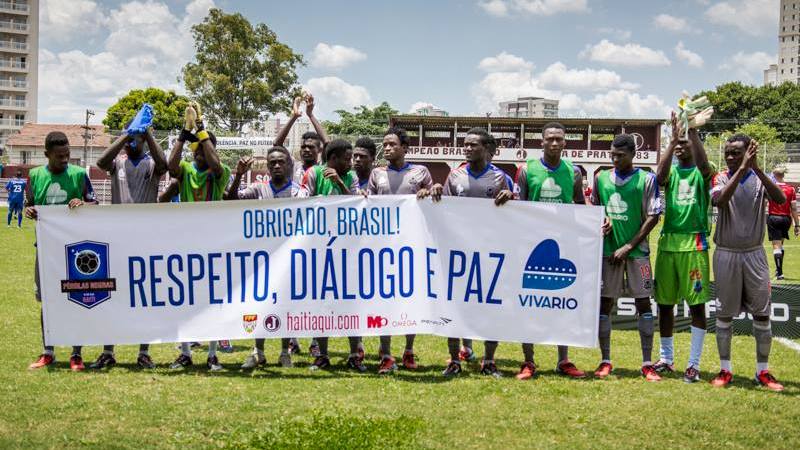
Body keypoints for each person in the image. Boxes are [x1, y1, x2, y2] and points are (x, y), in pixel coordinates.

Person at [433, 127, 514, 378]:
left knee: (491, 307)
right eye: (465, 144)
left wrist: (512, 197)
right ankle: (455, 360)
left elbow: (520, 214)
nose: (467, 148)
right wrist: (435, 191)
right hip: (459, 251)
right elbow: (441, 209)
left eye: (473, 145)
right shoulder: (454, 176)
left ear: (487, 149)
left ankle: (489, 361)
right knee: (454, 305)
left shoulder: (501, 178)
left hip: (490, 252)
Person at [709, 135, 786, 392]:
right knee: (724, 315)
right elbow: (718, 200)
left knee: (762, 314)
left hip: (754, 254)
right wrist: (742, 168)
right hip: (726, 253)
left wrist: (757, 169)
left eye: (736, 153)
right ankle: (725, 368)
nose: (730, 157)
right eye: (727, 153)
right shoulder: (720, 177)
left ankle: (762, 371)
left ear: (748, 153)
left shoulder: (759, 179)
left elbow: (780, 198)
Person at [89, 124, 168, 370]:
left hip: (146, 238)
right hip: (117, 238)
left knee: (145, 296)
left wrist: (148, 134)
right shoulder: (118, 162)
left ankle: (144, 352)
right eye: (128, 138)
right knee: (111, 295)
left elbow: (165, 166)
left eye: (136, 138)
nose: (131, 142)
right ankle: (108, 350)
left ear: (143, 140)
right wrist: (125, 134)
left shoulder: (151, 163)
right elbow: (100, 163)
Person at [513, 122, 587, 381]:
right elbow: (518, 206)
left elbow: (580, 205)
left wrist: (597, 220)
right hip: (532, 247)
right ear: (541, 142)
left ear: (565, 143)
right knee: (529, 303)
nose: (554, 143)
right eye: (550, 139)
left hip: (563, 247)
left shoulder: (574, 172)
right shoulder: (527, 170)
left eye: (559, 139)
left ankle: (563, 360)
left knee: (562, 302)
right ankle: (528, 361)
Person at [167, 102, 232, 372]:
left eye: (207, 147)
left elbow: (216, 165)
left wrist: (203, 131)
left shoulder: (220, 172)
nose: (202, 152)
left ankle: (213, 354)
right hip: (186, 240)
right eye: (200, 147)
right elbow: (170, 166)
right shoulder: (186, 169)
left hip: (214, 241)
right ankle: (185, 352)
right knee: (185, 296)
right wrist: (185, 132)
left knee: (214, 299)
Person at [591, 134, 662, 381]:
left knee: (643, 303)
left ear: (633, 155)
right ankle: (605, 360)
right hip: (607, 253)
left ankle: (646, 363)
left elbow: (653, 217)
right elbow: (595, 209)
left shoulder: (647, 179)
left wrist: (630, 245)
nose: (615, 159)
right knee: (604, 304)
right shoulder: (601, 178)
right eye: (613, 154)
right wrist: (601, 220)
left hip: (637, 254)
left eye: (620, 155)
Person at [26, 131, 98, 371]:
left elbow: (95, 204)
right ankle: (48, 351)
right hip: (45, 249)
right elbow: (30, 205)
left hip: (76, 253)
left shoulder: (78, 175)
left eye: (67, 155)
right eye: (60, 156)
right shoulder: (34, 175)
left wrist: (83, 204)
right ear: (47, 154)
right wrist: (30, 211)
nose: (65, 160)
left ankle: (76, 354)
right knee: (47, 301)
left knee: (77, 299)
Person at [226, 148, 303, 368]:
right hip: (261, 260)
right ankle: (258, 351)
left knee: (285, 305)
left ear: (289, 164)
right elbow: (231, 201)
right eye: (272, 163)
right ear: (267, 167)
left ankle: (284, 352)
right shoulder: (258, 189)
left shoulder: (300, 193)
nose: (277, 166)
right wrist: (240, 174)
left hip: (289, 259)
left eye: (281, 162)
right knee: (260, 305)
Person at [652, 113, 715, 383]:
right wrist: (672, 139)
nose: (680, 147)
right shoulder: (672, 170)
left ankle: (694, 364)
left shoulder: (704, 170)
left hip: (695, 243)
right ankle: (666, 358)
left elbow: (704, 167)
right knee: (665, 305)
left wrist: (692, 131)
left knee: (696, 305)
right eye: (677, 144)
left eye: (684, 143)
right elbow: (660, 176)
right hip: (668, 243)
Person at [367, 128, 434, 374]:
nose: (387, 148)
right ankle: (385, 354)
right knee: (383, 300)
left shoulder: (420, 172)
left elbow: (435, 199)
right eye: (384, 144)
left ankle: (408, 350)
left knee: (410, 299)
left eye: (392, 144)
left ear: (405, 148)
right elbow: (368, 202)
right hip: (383, 247)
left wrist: (428, 192)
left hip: (412, 245)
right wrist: (365, 196)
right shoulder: (377, 174)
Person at [300, 139, 363, 371]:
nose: (352, 163)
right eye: (347, 159)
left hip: (348, 249)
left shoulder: (350, 178)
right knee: (322, 303)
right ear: (333, 159)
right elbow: (301, 202)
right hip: (319, 249)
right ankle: (322, 355)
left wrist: (340, 185)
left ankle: (355, 354)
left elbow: (357, 203)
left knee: (352, 302)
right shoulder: (313, 173)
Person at [274, 93, 329, 186]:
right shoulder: (293, 166)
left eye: (311, 147)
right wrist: (294, 116)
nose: (306, 150)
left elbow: (328, 143)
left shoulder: (323, 167)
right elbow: (277, 144)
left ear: (320, 150)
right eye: (303, 147)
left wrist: (310, 115)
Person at [766, 167, 798, 280]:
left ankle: (780, 273)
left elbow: (764, 202)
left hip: (774, 218)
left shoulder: (770, 188)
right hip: (786, 219)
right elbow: (794, 208)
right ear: (783, 175)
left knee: (776, 245)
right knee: (780, 244)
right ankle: (778, 270)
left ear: (774, 175)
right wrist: (797, 225)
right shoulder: (791, 189)